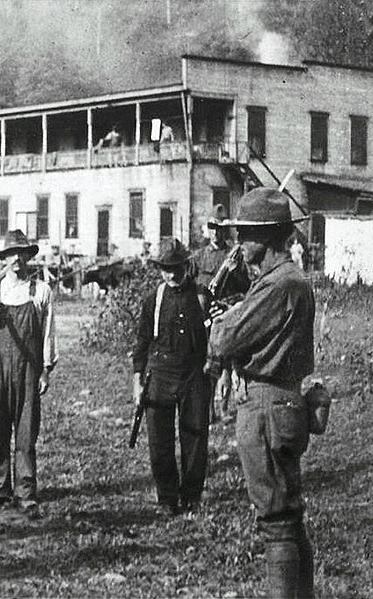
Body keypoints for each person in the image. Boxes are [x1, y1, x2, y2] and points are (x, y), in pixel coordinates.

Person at [210, 188, 315, 598]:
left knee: (276, 523)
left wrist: (223, 323)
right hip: (283, 402)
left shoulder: (277, 286)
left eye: (246, 235)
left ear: (269, 238)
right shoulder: (286, 281)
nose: (239, 243)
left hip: (267, 406)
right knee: (289, 518)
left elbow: (224, 341)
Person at [0, 230, 58, 517]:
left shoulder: (40, 291)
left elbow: (48, 335)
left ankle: (25, 491)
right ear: (4, 259)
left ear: (29, 257)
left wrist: (45, 370)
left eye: (22, 253)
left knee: (25, 432)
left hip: (28, 370)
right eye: (11, 254)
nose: (17, 259)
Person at [132, 238, 210, 516]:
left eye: (176, 268)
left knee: (196, 436)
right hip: (160, 375)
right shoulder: (154, 299)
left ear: (185, 266)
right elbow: (142, 342)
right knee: (159, 440)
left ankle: (191, 496)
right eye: (166, 268)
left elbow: (215, 338)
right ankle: (167, 497)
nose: (172, 274)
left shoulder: (201, 297)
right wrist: (138, 378)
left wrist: (217, 370)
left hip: (194, 374)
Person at [191, 204, 250, 422]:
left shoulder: (234, 255)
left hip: (227, 314)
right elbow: (193, 286)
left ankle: (224, 409)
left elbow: (246, 287)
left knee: (226, 364)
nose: (216, 232)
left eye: (220, 228)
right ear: (208, 229)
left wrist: (235, 273)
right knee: (208, 365)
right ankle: (209, 411)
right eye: (212, 227)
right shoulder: (199, 257)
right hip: (206, 315)